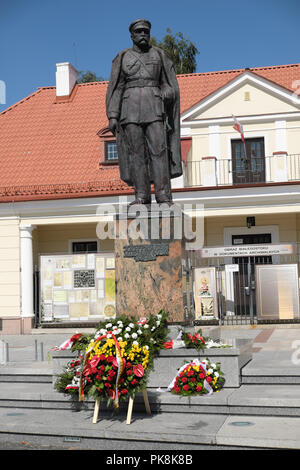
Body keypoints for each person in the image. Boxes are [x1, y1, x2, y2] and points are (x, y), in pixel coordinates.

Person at [106, 19, 182, 205]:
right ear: (132, 35)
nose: (142, 35)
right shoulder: (123, 57)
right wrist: (113, 115)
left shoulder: (159, 55)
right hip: (129, 110)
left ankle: (163, 195)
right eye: (139, 32)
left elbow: (168, 84)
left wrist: (167, 92)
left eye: (145, 32)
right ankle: (141, 196)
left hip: (154, 108)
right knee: (136, 155)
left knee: (159, 152)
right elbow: (116, 88)